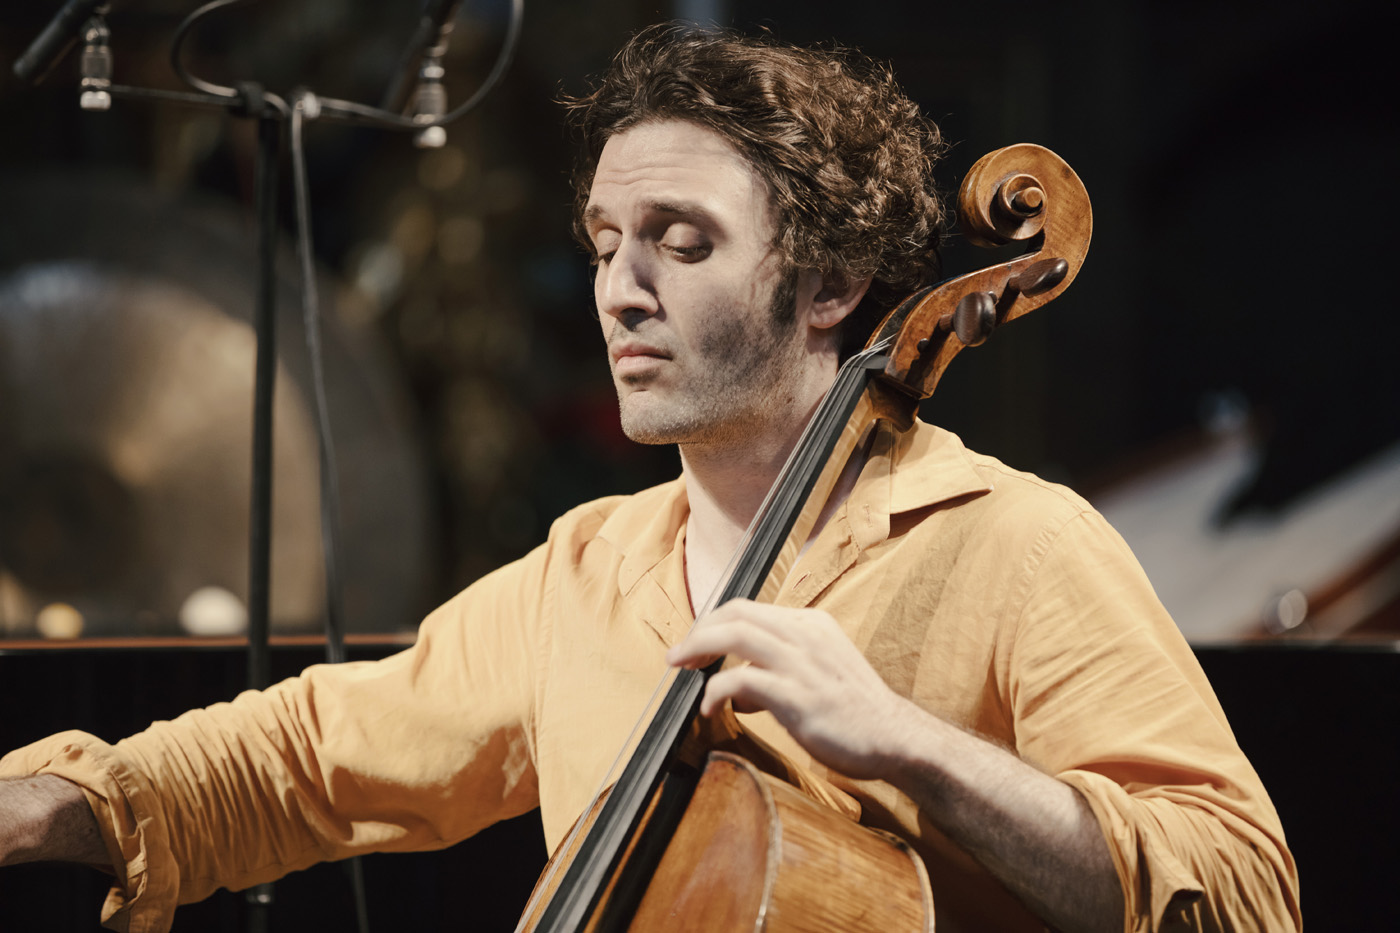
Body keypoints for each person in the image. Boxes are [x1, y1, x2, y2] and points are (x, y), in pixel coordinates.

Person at [0, 23, 1299, 933]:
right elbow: (298, 757)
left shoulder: (1018, 543)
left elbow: (1242, 894)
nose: (620, 289)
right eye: (606, 240)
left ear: (831, 285)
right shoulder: (590, 566)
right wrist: (42, 806)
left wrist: (910, 744)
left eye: (681, 243)